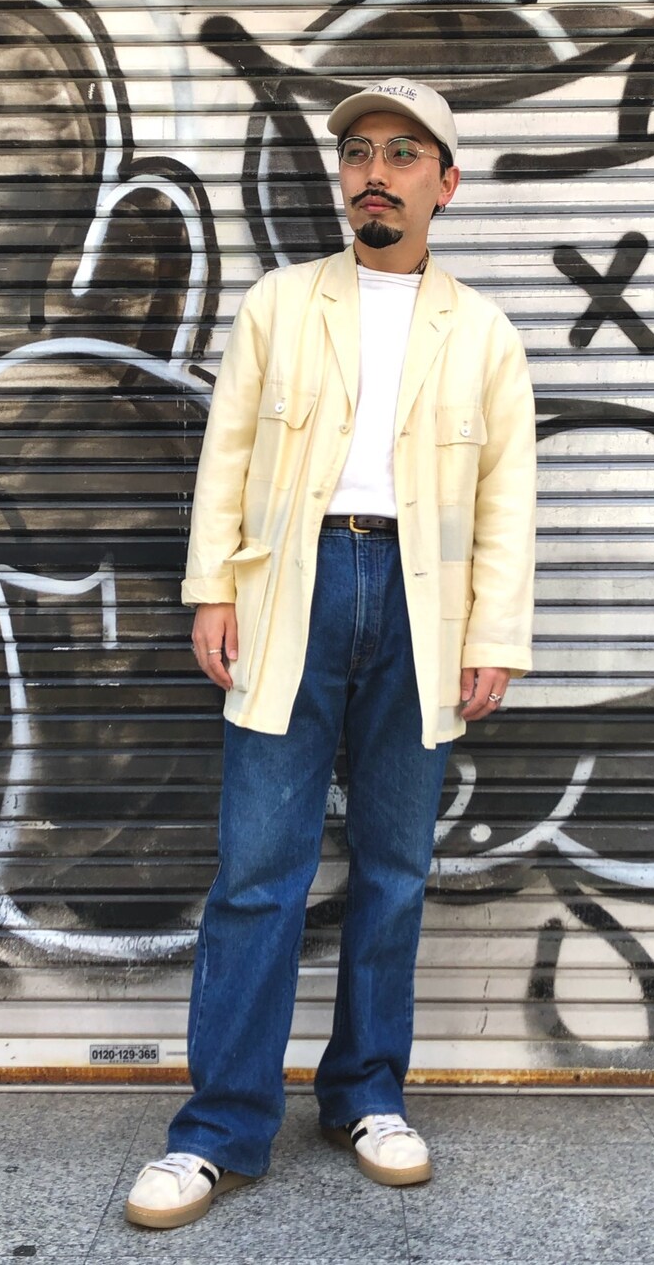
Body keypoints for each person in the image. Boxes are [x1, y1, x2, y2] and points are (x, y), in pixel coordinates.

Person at [125, 77, 536, 1230]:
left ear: (444, 183)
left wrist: (493, 633)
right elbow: (227, 452)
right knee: (258, 870)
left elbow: (506, 498)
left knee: (395, 867)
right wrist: (213, 587)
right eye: (359, 152)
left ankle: (366, 1093)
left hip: (421, 603)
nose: (376, 172)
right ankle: (218, 1126)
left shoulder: (483, 333)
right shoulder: (280, 304)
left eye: (403, 154)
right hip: (291, 588)